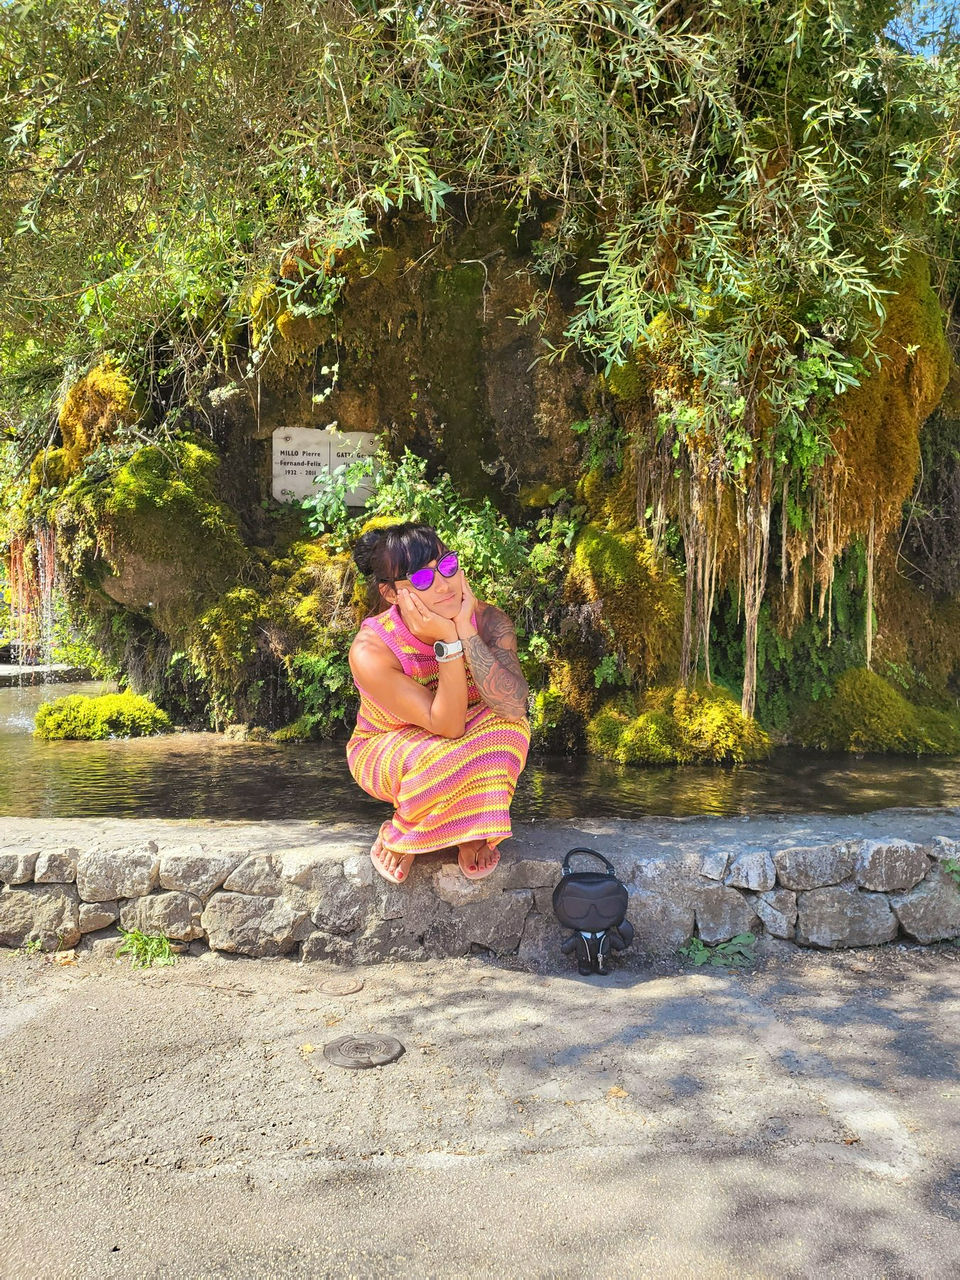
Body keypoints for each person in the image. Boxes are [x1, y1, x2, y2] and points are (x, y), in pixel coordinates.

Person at [346, 521, 531, 885]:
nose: (444, 584)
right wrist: (447, 639)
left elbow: (513, 708)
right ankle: (411, 831)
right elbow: (447, 725)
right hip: (391, 746)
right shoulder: (372, 650)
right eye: (421, 579)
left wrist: (465, 629)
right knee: (434, 758)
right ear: (390, 594)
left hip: (466, 733)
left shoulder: (489, 621)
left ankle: (457, 827)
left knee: (511, 733)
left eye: (446, 566)